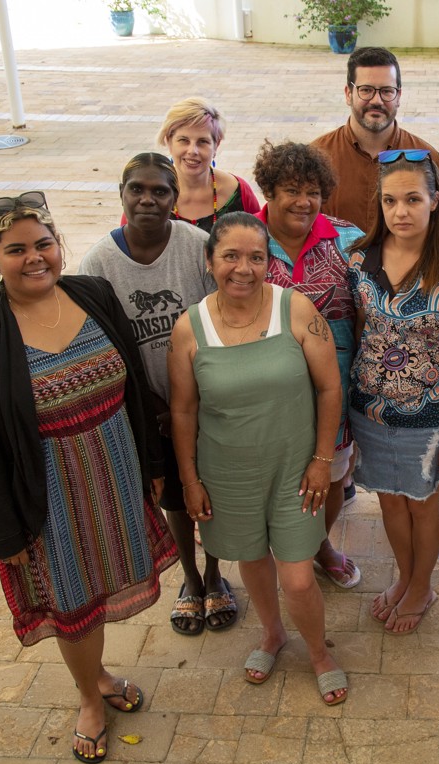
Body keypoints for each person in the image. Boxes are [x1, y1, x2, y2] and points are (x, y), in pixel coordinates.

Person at [0, 195, 177, 764]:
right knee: (72, 601)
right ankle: (89, 696)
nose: (34, 258)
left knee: (99, 589)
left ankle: (98, 674)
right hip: (47, 499)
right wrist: (6, 532)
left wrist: (154, 467)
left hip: (115, 476)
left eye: (43, 244)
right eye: (16, 249)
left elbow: (135, 388)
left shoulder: (92, 295)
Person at [167, 212, 349, 705]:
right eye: (230, 256)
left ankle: (318, 652)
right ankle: (272, 634)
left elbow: (330, 387)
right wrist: (190, 481)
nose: (243, 268)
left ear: (269, 262)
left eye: (256, 257)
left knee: (296, 574)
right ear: (210, 262)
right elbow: (183, 411)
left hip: (295, 469)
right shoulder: (190, 328)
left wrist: (322, 460)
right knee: (251, 558)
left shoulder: (296, 310)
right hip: (227, 472)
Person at [80, 153, 229, 637]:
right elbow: (102, 345)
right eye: (136, 190)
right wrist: (154, 407)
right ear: (121, 195)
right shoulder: (100, 262)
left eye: (160, 191)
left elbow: (224, 316)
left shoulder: (197, 246)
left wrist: (202, 396)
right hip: (148, 411)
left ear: (175, 198)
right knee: (176, 498)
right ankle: (190, 579)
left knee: (214, 490)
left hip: (209, 401)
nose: (148, 199)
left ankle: (216, 574)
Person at [347, 148, 439, 634]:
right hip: (368, 409)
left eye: (412, 199)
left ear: (435, 201)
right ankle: (406, 576)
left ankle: (422, 584)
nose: (400, 212)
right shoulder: (359, 259)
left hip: (428, 417)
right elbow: (360, 330)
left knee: (422, 502)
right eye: (389, 201)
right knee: (387, 498)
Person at [252, 140, 364, 589]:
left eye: (314, 191)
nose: (304, 201)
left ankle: (319, 545)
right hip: (264, 389)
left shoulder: (348, 239)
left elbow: (367, 311)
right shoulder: (244, 237)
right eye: (292, 190)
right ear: (269, 191)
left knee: (331, 472)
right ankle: (269, 551)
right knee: (271, 473)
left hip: (332, 386)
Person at [311, 47, 439, 234]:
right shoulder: (317, 157)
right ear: (348, 94)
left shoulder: (427, 158)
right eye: (366, 90)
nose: (376, 100)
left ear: (399, 96)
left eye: (387, 91)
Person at [154, 97, 261, 231]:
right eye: (183, 140)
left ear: (216, 145)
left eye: (203, 141)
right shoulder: (149, 194)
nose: (192, 151)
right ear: (169, 142)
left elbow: (260, 242)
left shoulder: (239, 192)